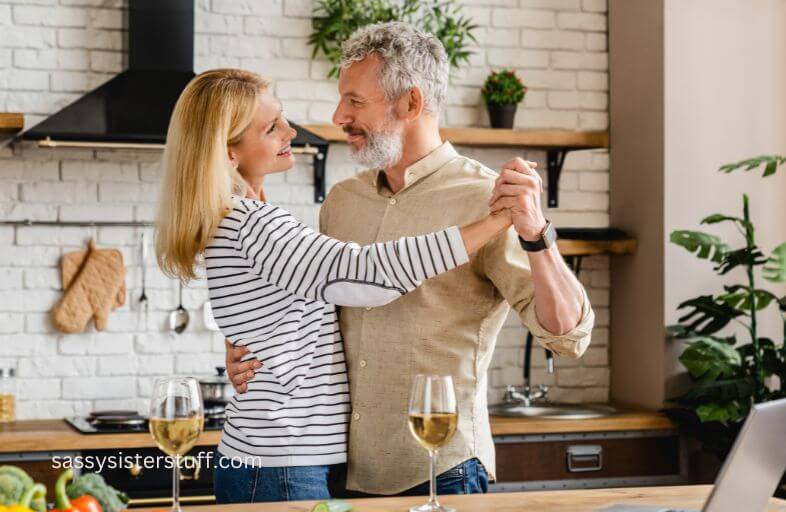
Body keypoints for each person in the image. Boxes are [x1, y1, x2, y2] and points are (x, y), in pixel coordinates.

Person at [226, 22, 595, 498]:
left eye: (355, 101)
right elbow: (313, 310)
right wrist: (250, 348)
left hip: (440, 469)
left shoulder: (489, 200)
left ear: (411, 104)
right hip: (339, 473)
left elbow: (568, 337)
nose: (338, 116)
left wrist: (537, 236)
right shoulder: (342, 202)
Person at [154, 68, 518, 503]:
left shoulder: (231, 221)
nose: (291, 130)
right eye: (272, 128)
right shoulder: (255, 225)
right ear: (230, 154)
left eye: (282, 118)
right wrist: (495, 222)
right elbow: (368, 275)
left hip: (266, 458)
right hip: (283, 464)